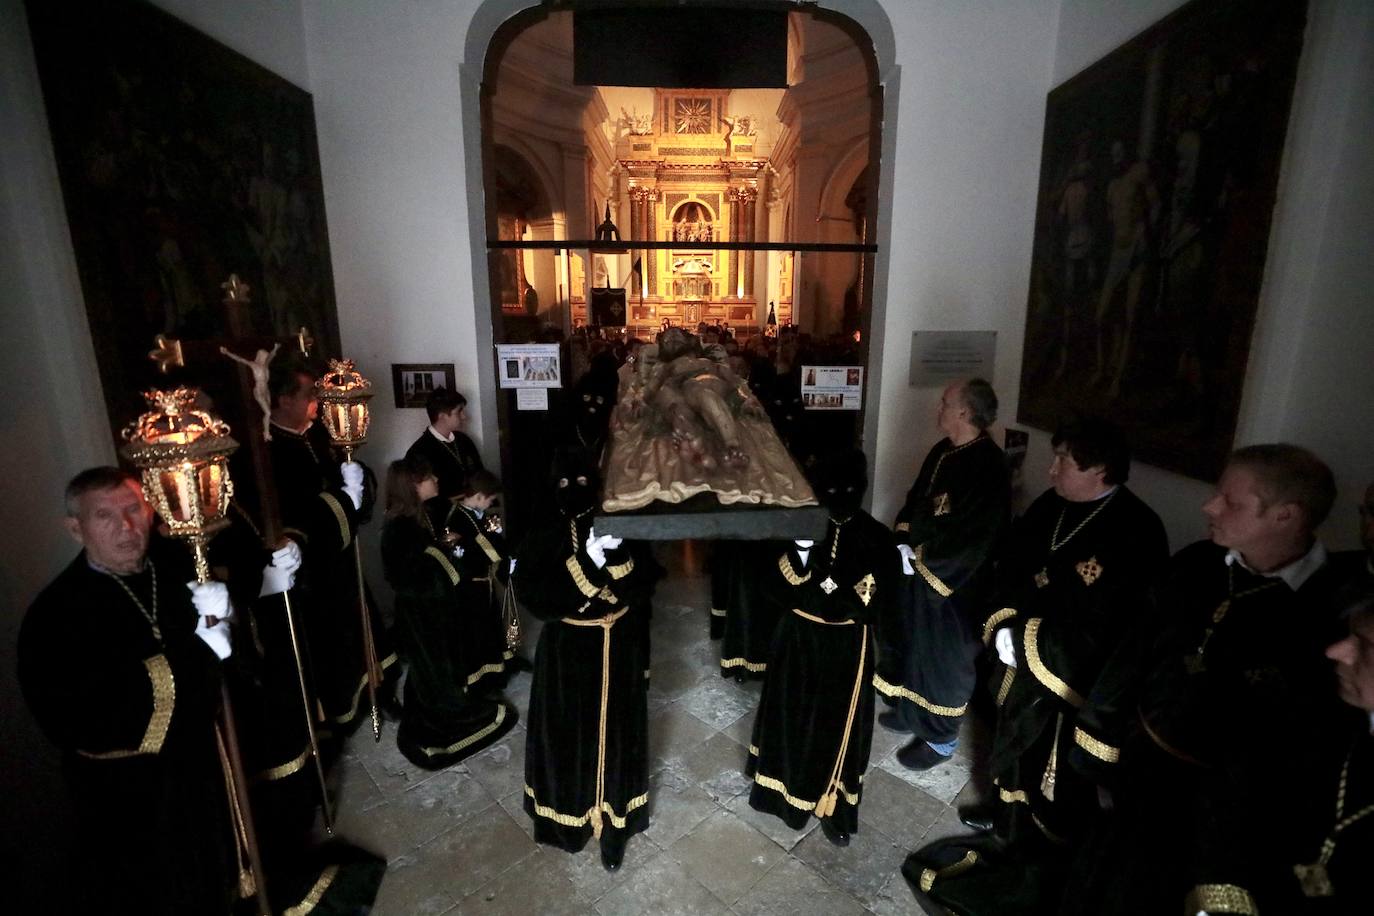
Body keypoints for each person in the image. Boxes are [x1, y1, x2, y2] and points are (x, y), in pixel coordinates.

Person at [1052, 444, 1349, 915]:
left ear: (1285, 516)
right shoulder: (1196, 563)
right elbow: (1134, 653)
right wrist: (1099, 748)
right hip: (1138, 767)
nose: (1209, 506)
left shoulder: (1330, 612)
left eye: (1230, 501)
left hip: (1217, 812)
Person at [18, 468, 238, 913]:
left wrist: (227, 612)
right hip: (128, 794)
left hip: (198, 763)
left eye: (133, 508)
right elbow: (84, 716)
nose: (126, 526)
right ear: (76, 529)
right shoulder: (54, 616)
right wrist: (200, 651)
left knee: (216, 874)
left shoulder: (177, 566)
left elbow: (225, 654)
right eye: (104, 515)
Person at [964, 419, 1168, 843]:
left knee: (1045, 758)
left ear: (1101, 471)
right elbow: (1012, 565)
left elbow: (1121, 627)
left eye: (1064, 461)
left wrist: (1029, 642)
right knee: (1008, 736)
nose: (1051, 470)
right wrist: (1003, 621)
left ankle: (1037, 834)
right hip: (1016, 653)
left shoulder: (1138, 531)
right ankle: (1003, 810)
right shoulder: (1049, 505)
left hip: (1067, 674)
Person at [515, 447, 659, 871]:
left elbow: (646, 584)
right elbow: (538, 597)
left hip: (619, 645)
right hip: (569, 652)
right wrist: (589, 561)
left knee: (619, 736)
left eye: (582, 483)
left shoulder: (619, 521)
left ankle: (616, 823)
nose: (574, 492)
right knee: (567, 735)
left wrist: (618, 557)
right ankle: (569, 820)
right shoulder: (542, 529)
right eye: (564, 484)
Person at [745, 449, 899, 847]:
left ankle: (836, 804)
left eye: (848, 487)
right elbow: (770, 587)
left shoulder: (877, 538)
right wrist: (798, 553)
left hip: (847, 645)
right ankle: (779, 792)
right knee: (790, 714)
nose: (838, 495)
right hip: (798, 638)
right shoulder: (797, 525)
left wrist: (834, 604)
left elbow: (878, 600)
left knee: (836, 726)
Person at [878, 378, 1010, 769]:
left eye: (945, 403)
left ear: (965, 412)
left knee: (944, 660)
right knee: (914, 644)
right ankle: (911, 711)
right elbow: (916, 500)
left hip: (955, 586)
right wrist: (903, 538)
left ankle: (940, 740)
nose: (938, 408)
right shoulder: (942, 450)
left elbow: (977, 539)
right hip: (919, 571)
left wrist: (924, 562)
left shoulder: (990, 465)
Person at [267, 353, 396, 737]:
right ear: (284, 400)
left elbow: (345, 486)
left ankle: (379, 689)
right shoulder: (272, 452)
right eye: (309, 393)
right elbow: (302, 512)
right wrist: (345, 499)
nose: (317, 402)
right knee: (335, 638)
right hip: (315, 567)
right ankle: (344, 709)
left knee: (364, 620)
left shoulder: (319, 436)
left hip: (342, 554)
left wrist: (358, 481)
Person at [380, 457, 518, 769]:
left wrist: (442, 548)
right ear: (414, 486)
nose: (436, 480)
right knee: (433, 671)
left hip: (432, 611)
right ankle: (443, 715)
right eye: (429, 476)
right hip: (421, 615)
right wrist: (444, 555)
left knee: (435, 668)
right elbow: (409, 574)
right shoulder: (398, 528)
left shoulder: (421, 517)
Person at [444, 468, 520, 689]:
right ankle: (481, 680)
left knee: (493, 626)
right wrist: (493, 548)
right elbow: (472, 550)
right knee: (477, 633)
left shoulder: (482, 514)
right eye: (490, 499)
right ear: (478, 496)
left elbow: (496, 538)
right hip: (469, 587)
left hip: (485, 582)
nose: (492, 503)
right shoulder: (458, 518)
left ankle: (504, 664)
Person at [405, 386, 484, 504]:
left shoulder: (464, 440)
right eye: (459, 411)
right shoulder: (419, 451)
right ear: (442, 416)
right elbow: (420, 496)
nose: (464, 416)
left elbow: (480, 474)